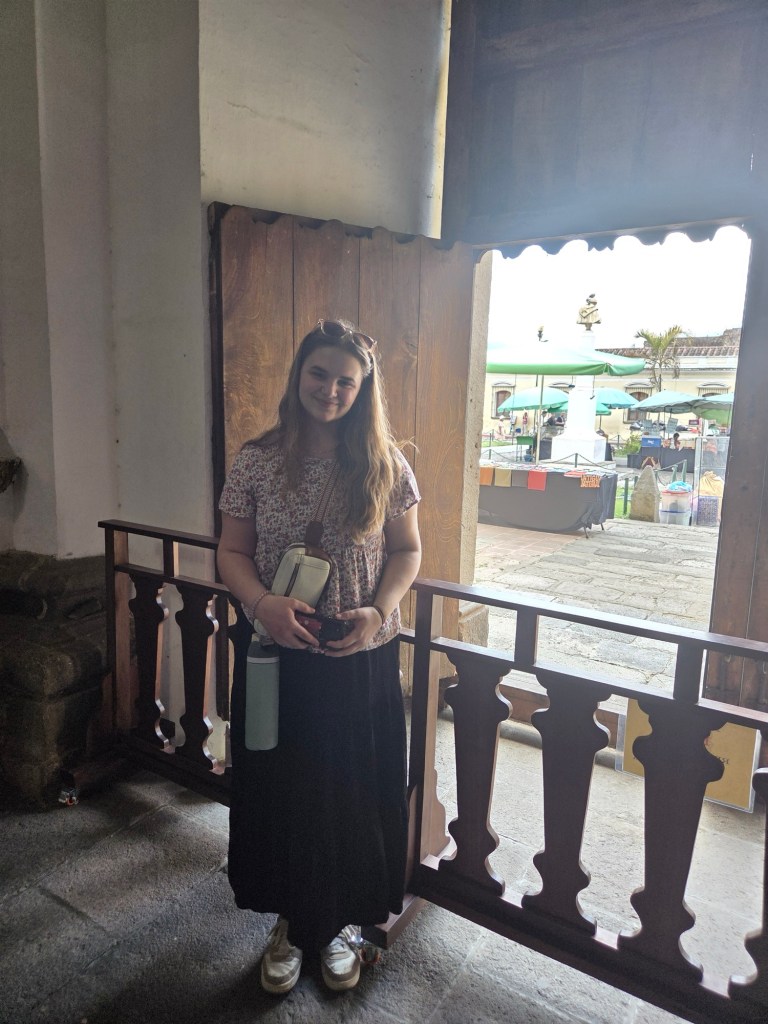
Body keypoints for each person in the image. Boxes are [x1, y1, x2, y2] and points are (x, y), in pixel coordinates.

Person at [216, 318, 421, 995]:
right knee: (282, 789)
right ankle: (290, 923)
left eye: (345, 381)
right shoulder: (257, 460)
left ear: (363, 390)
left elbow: (408, 551)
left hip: (359, 658)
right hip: (278, 656)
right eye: (319, 373)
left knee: (351, 793)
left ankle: (336, 925)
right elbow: (231, 551)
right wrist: (261, 605)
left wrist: (379, 611)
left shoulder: (386, 464)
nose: (330, 389)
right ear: (298, 374)